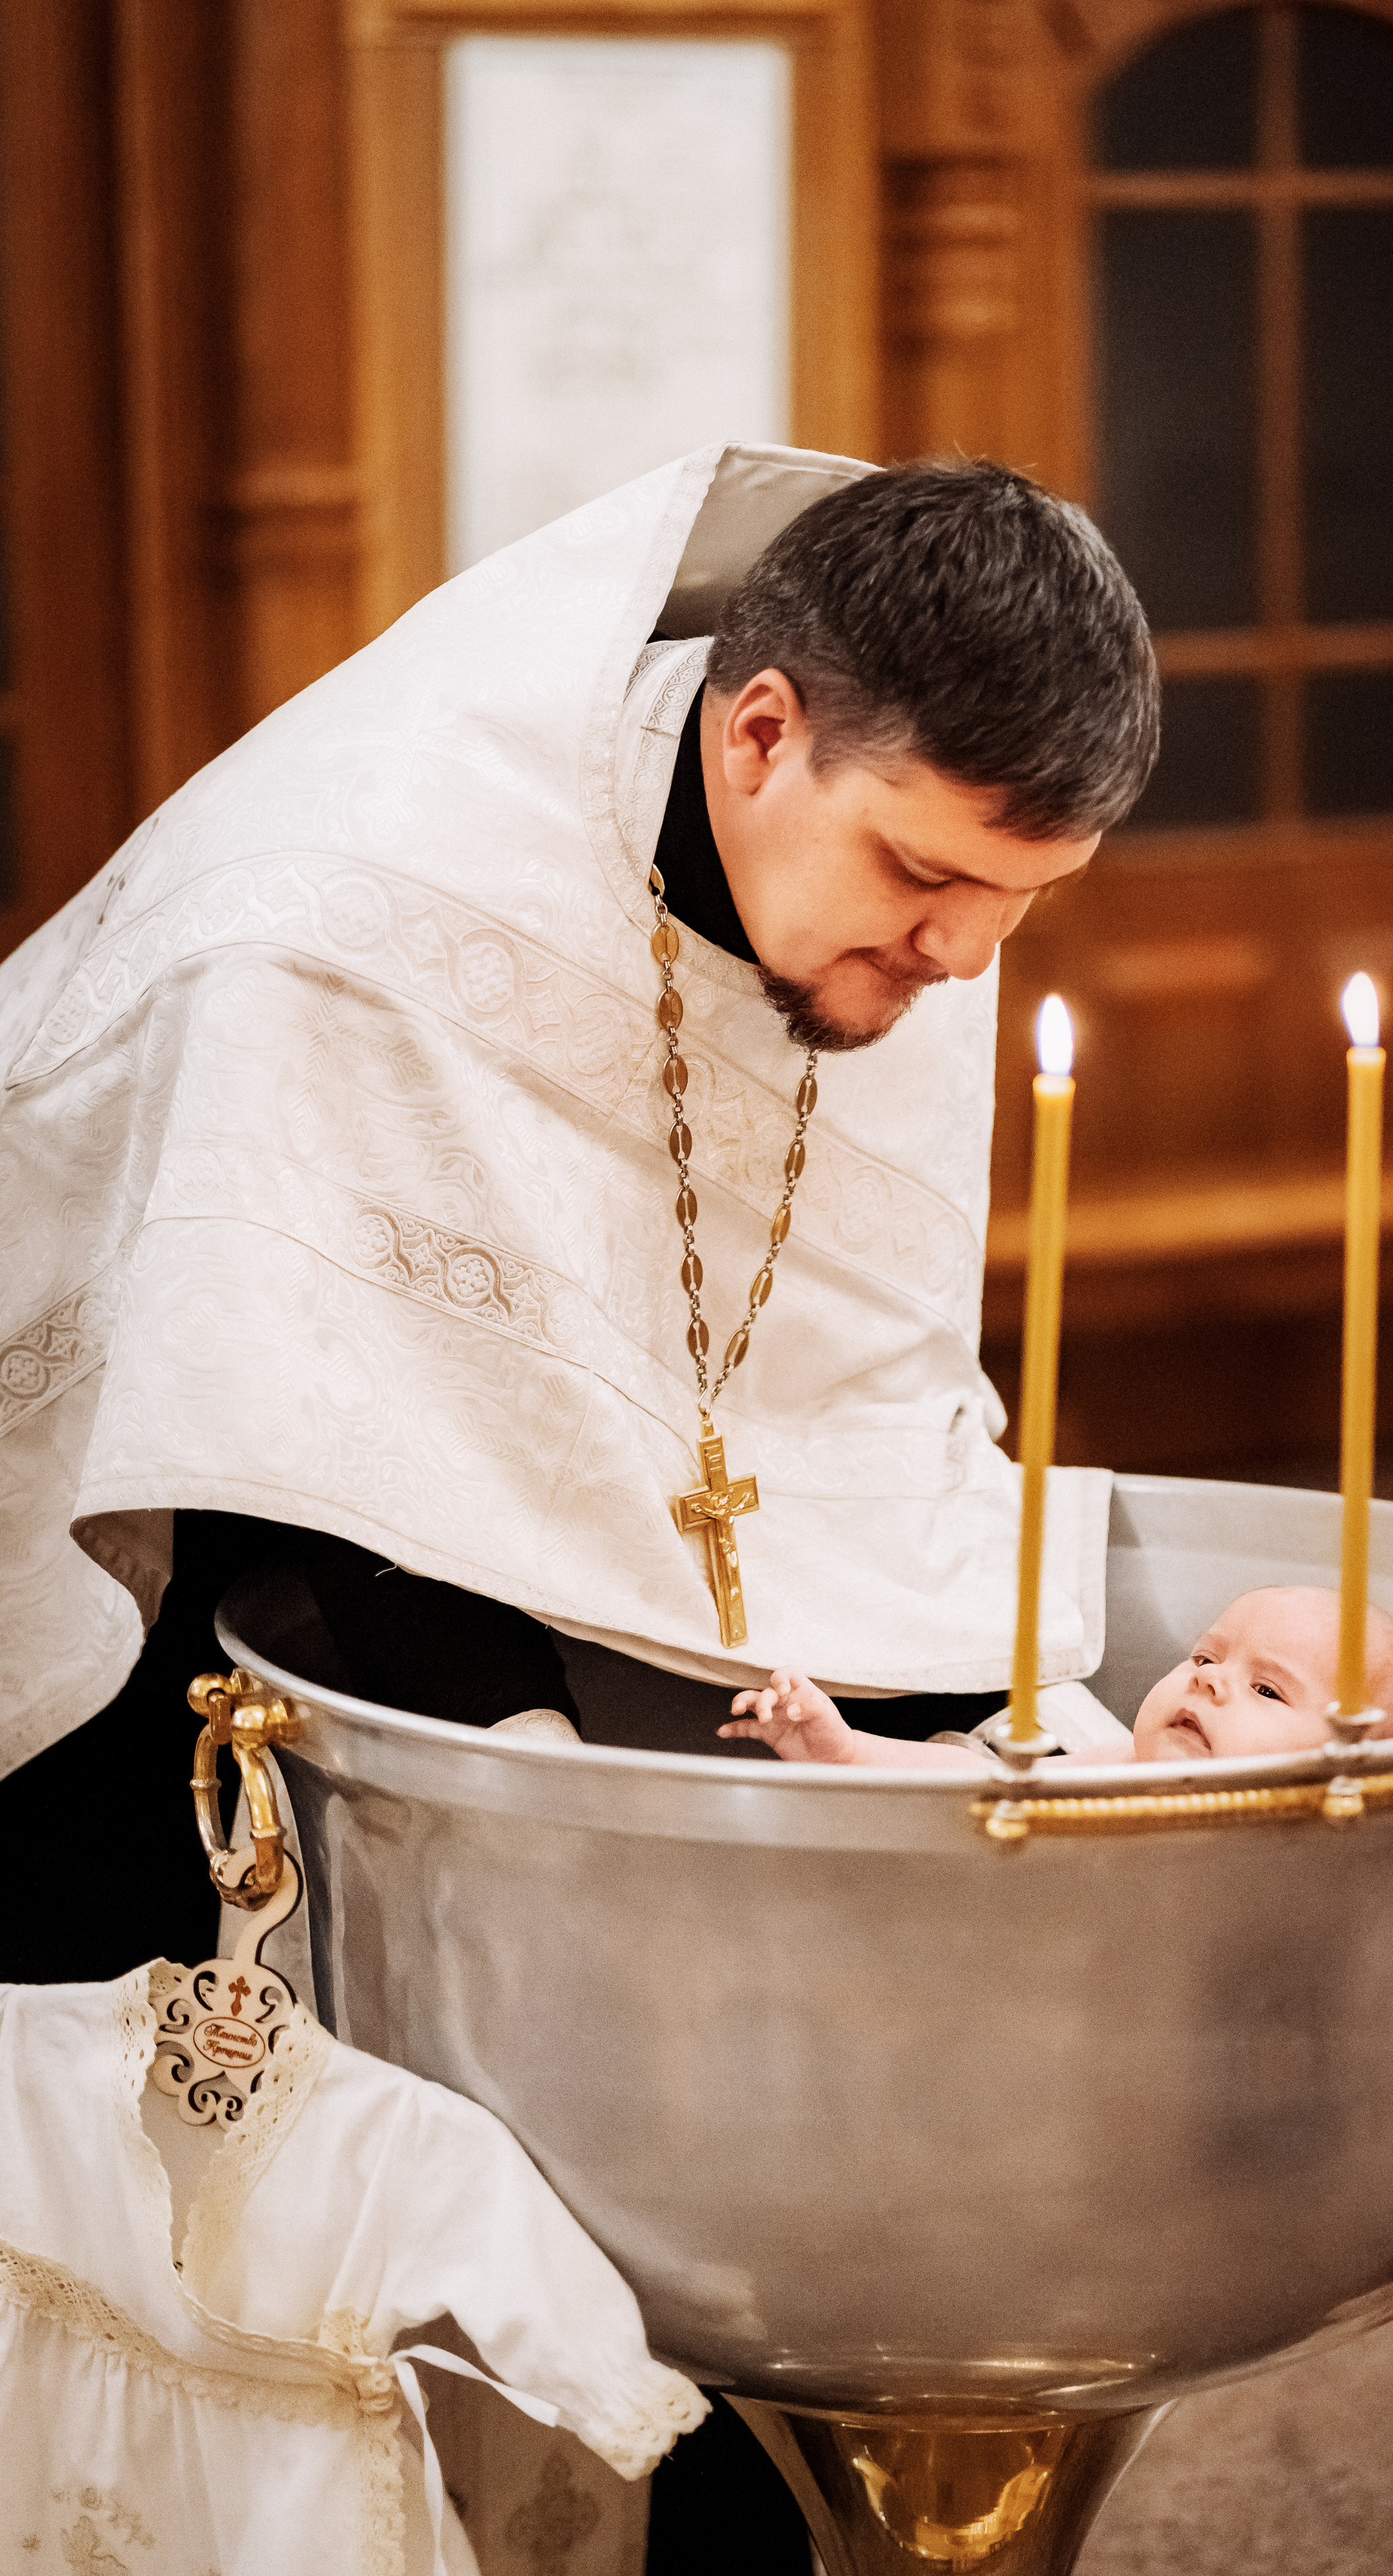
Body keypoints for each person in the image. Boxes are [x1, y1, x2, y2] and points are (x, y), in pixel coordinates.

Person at [0, 443, 1159, 2572]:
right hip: (168, 1586)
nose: (963, 961)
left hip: (563, 1601)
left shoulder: (893, 914)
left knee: (781, 2083)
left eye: (1020, 907)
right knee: (212, 2238)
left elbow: (850, 1386)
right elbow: (298, 1433)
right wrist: (575, 1833)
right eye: (927, 879)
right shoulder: (358, 909)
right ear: (759, 732)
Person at [719, 1583, 1393, 1764]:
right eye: (1204, 1657)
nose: (1209, 1682)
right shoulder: (1118, 1767)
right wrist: (844, 1748)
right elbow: (968, 1786)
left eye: (1267, 1689)